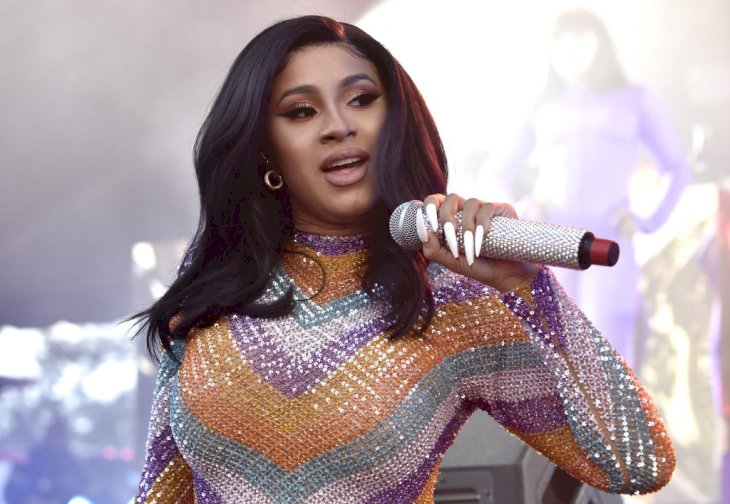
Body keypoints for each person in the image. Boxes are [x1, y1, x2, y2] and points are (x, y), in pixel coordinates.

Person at [132, 15, 675, 503]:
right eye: (301, 111)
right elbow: (162, 491)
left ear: (394, 120)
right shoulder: (216, 287)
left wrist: (533, 292)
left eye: (361, 99)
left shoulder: (450, 296)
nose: (339, 125)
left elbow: (639, 463)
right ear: (265, 149)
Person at [479, 9, 691, 368]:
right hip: (551, 246)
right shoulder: (541, 106)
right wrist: (522, 212)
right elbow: (496, 171)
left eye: (579, 37)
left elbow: (677, 167)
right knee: (554, 360)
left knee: (612, 358)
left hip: (609, 244)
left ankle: (618, 426)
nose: (569, 48)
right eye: (560, 40)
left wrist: (645, 217)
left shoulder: (637, 100)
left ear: (600, 42)